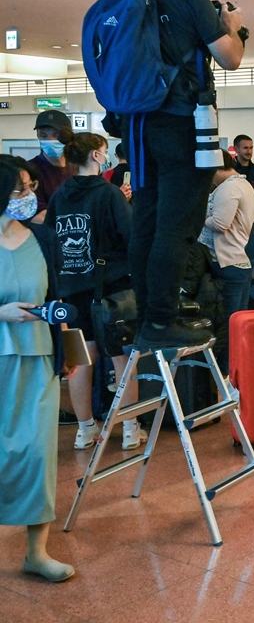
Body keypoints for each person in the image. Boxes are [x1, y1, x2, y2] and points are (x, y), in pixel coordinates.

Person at [126, 0, 246, 350]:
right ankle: (162, 320)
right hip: (182, 124)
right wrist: (234, 28)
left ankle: (146, 316)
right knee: (178, 226)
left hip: (139, 126)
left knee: (147, 221)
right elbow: (228, 58)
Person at [0, 159, 75, 582]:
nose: (27, 196)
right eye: (18, 189)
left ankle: (37, 552)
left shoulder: (42, 239)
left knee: (37, 454)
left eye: (29, 187)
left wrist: (63, 346)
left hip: (38, 360)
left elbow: (56, 299)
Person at [45, 134, 140, 451]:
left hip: (71, 292)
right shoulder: (109, 195)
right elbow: (130, 238)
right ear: (99, 156)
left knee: (80, 361)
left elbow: (51, 241)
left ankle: (85, 429)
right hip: (111, 290)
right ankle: (129, 428)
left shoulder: (59, 196)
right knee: (121, 359)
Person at [198, 151, 254, 369]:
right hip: (242, 260)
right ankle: (235, 374)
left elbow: (221, 223)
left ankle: (226, 373)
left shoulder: (228, 188)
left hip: (230, 261)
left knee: (230, 324)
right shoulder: (244, 184)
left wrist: (200, 218)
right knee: (238, 322)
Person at [31, 110, 78, 221]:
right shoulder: (30, 170)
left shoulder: (79, 167)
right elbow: (39, 216)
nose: (50, 140)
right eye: (43, 135)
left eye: (56, 135)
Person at [230, 135, 254, 210]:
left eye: (251, 148)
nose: (249, 151)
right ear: (236, 149)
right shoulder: (229, 170)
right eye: (245, 148)